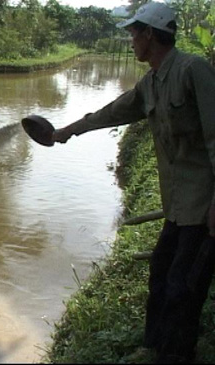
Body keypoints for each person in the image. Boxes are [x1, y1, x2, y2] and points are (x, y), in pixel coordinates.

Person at [47, 2, 215, 363]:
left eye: (133, 34)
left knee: (183, 286)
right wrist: (67, 131)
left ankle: (176, 355)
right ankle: (153, 347)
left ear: (150, 34)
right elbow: (114, 111)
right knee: (160, 272)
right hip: (178, 203)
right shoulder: (151, 83)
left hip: (204, 205)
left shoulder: (193, 70)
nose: (130, 42)